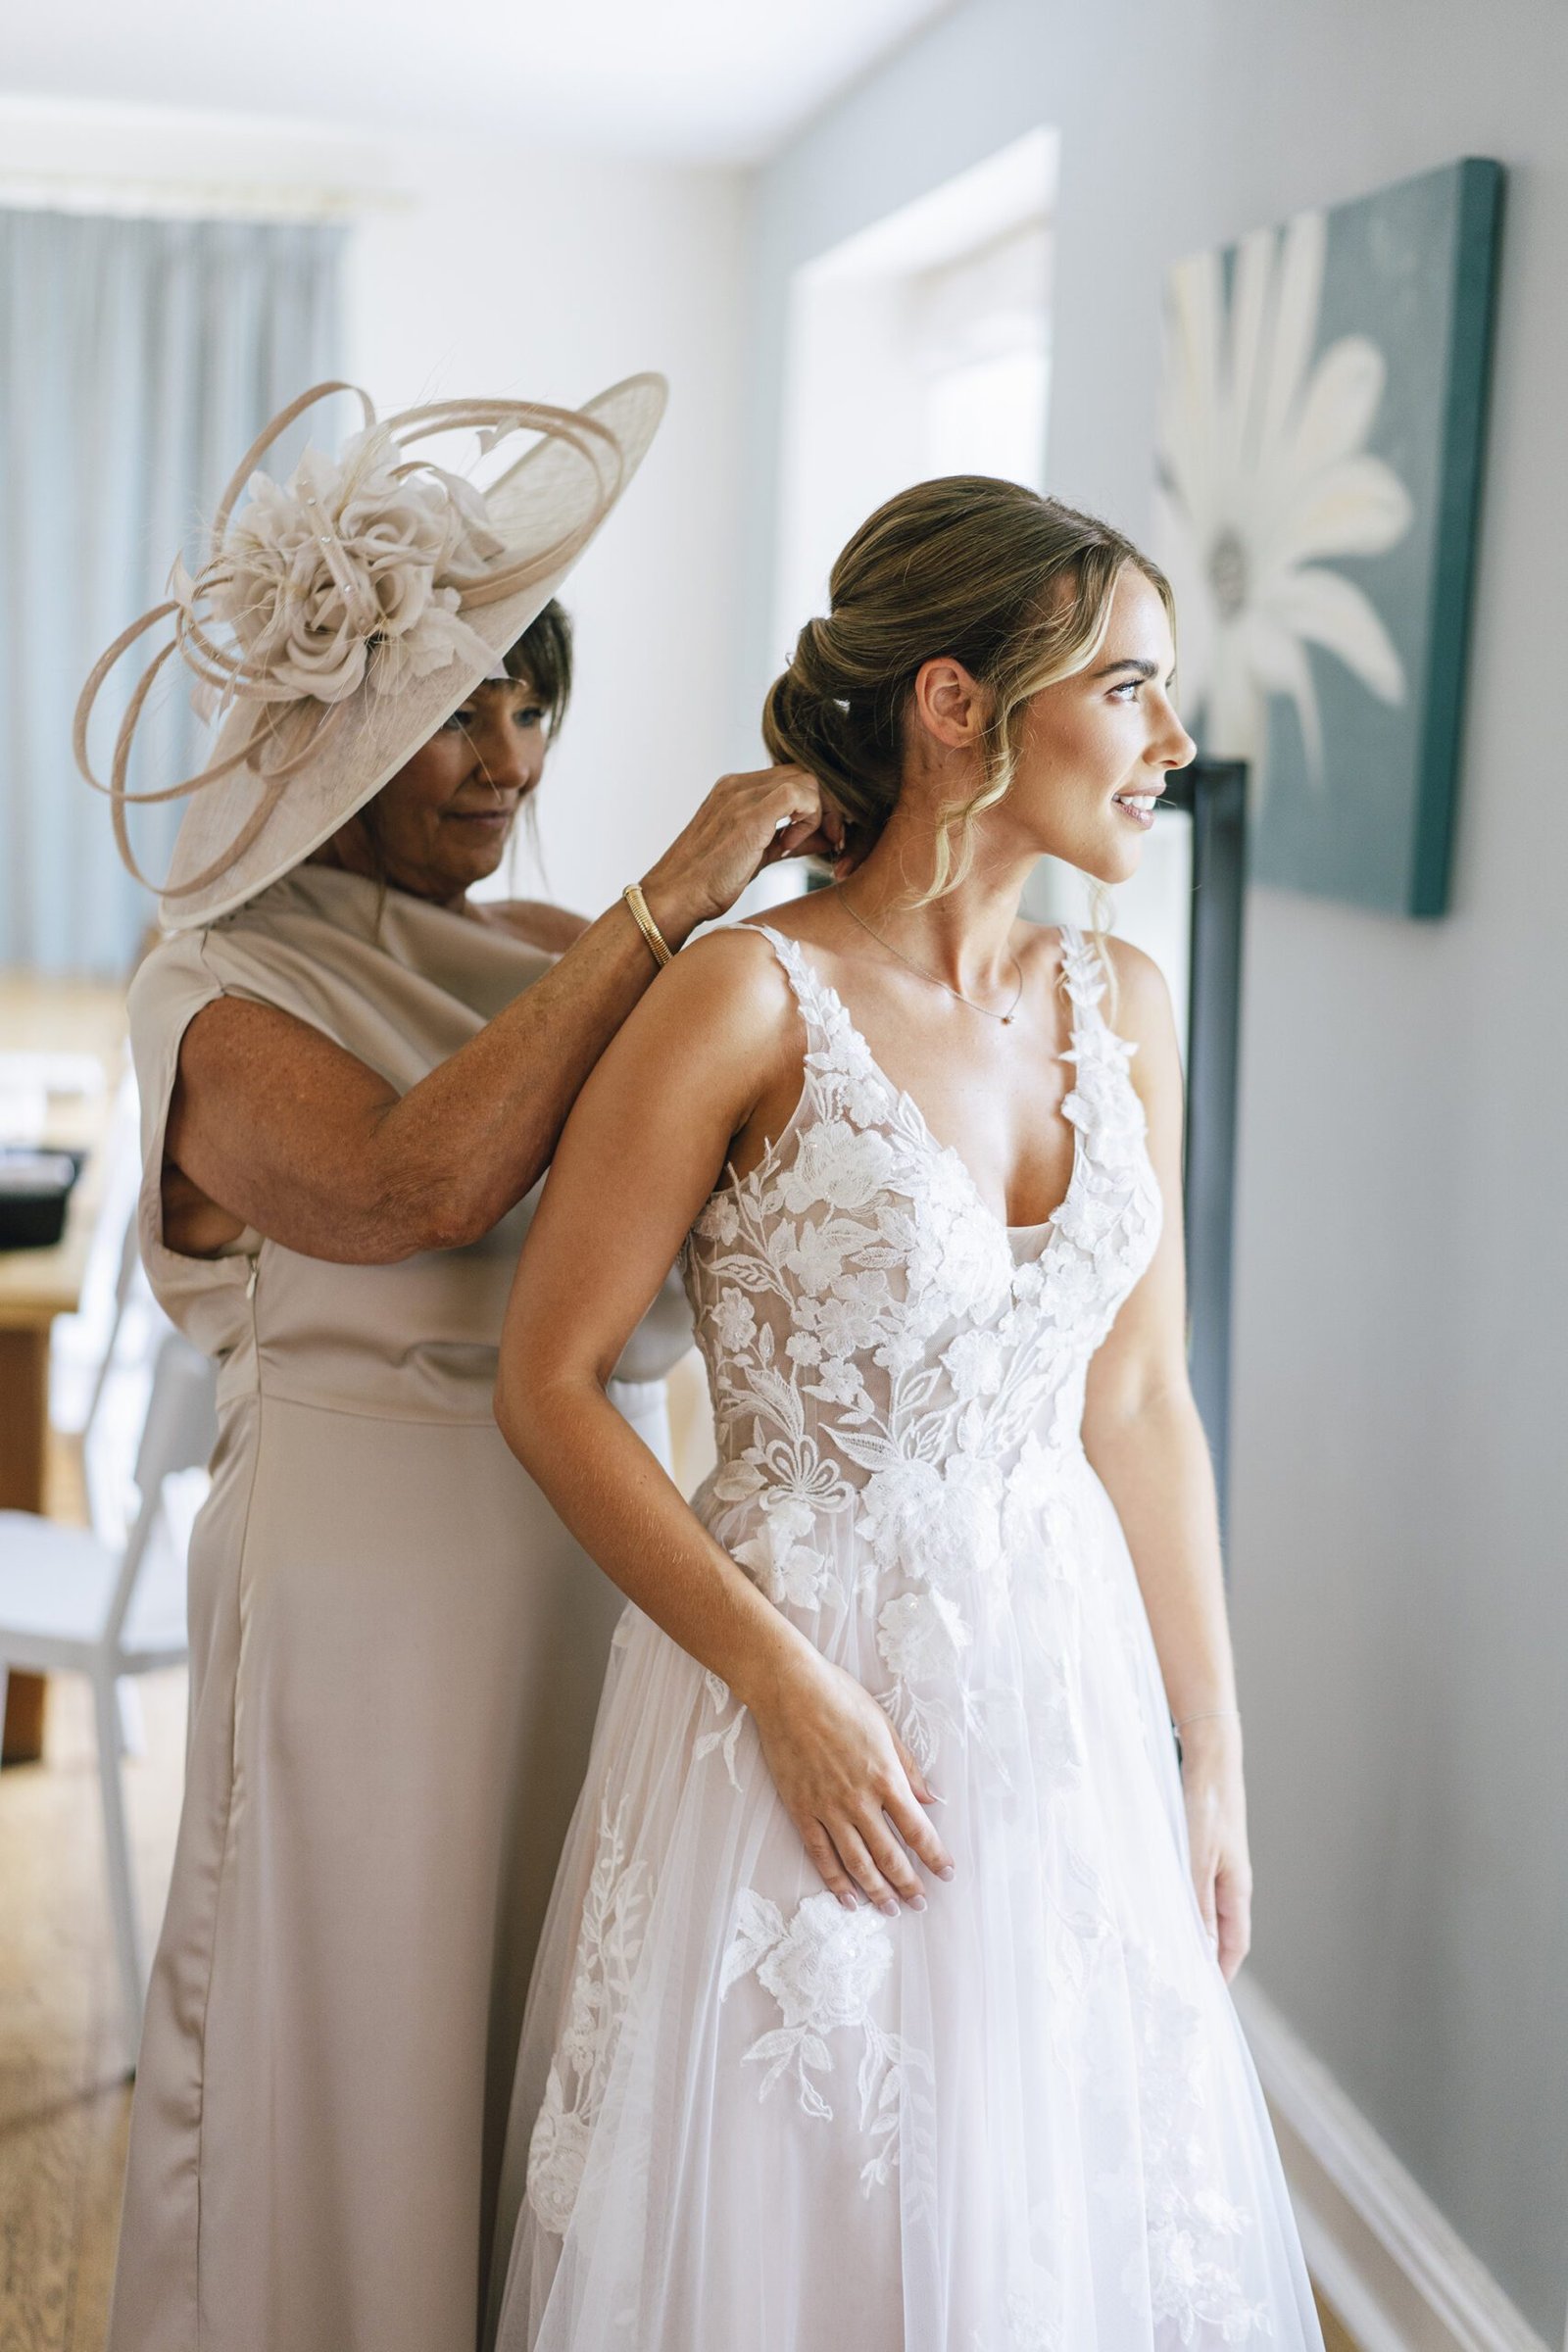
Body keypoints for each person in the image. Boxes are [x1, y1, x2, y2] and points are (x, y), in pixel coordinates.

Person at [487, 479, 1325, 2350]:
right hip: (791, 1694)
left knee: (1057, 2230)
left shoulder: (1128, 1002)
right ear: (961, 704)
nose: (1176, 743)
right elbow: (547, 1387)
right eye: (1130, 687)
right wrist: (778, 1684)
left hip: (1064, 1711)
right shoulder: (742, 1003)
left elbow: (1139, 1399)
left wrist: (1213, 1749)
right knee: (807, 2233)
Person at [79, 374, 849, 2352]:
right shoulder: (218, 973)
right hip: (364, 1594)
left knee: (560, 2036)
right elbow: (409, 1186)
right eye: (459, 711)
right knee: (350, 2044)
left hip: (601, 1565)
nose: (506, 759)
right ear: (330, 724)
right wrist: (669, 903)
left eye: (531, 707)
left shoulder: (548, 943)